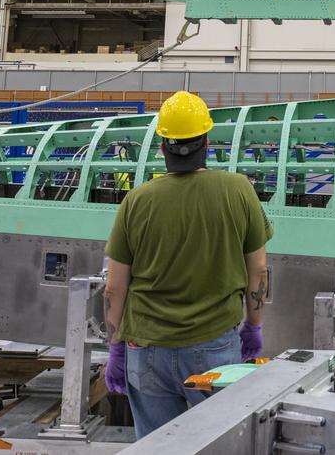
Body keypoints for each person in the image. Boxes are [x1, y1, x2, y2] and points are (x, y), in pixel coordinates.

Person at [102, 91, 272, 438]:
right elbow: (259, 272)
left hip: (146, 349)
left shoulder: (137, 201)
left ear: (162, 146)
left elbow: (114, 287)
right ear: (206, 143)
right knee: (217, 443)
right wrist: (253, 326)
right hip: (214, 349)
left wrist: (116, 347)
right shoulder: (238, 190)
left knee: (157, 447)